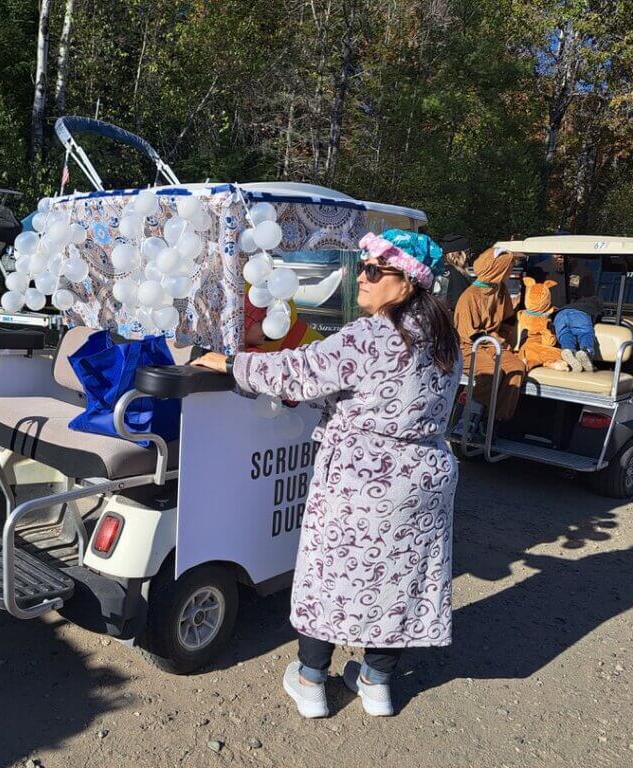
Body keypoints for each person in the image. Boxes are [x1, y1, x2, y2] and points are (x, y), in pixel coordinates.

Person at [194, 229, 460, 719]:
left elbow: (299, 371)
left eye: (374, 270)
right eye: (363, 266)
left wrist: (232, 364)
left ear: (406, 282)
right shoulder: (444, 337)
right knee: (397, 578)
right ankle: (377, 682)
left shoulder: (375, 334)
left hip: (365, 475)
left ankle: (312, 678)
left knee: (330, 572)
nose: (361, 276)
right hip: (424, 472)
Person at [453, 248, 527, 421]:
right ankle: (470, 418)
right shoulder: (470, 296)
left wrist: (503, 337)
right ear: (498, 269)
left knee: (516, 368)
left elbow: (508, 318)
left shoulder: (500, 290)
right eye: (508, 266)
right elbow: (468, 333)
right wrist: (494, 339)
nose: (510, 270)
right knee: (490, 372)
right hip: (470, 347)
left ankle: (497, 419)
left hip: (493, 344)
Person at [434, 233, 473, 311]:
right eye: (467, 252)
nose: (469, 257)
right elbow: (461, 305)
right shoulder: (457, 274)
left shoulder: (438, 271)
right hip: (453, 319)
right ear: (459, 254)